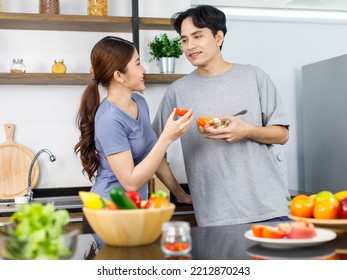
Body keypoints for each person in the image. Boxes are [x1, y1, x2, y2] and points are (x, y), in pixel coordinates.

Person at [152, 5, 291, 227]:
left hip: (270, 210)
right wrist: (179, 194)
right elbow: (154, 150)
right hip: (215, 217)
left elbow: (282, 134)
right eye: (185, 39)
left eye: (197, 36)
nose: (190, 46)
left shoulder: (254, 76)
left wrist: (246, 130)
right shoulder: (177, 92)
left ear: (218, 37)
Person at [74, 36, 193, 232]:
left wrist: (181, 195)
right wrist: (167, 138)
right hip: (108, 213)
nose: (143, 69)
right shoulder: (109, 119)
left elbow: (152, 157)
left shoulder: (139, 102)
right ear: (119, 76)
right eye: (137, 63)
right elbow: (130, 182)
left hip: (134, 211)